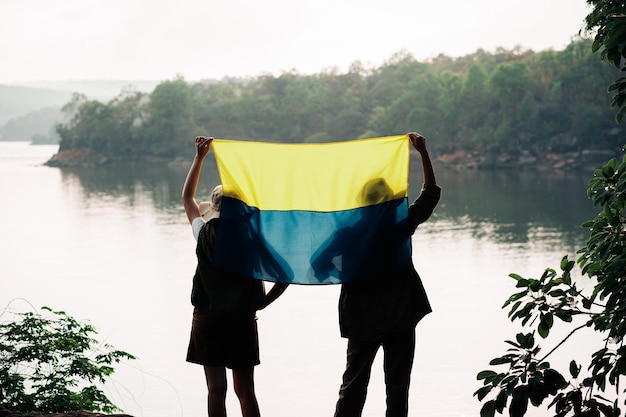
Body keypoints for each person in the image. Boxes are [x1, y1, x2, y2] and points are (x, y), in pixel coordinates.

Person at [333, 132, 441, 417]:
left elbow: (319, 265)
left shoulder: (347, 234)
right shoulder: (399, 226)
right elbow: (429, 194)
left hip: (361, 317)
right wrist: (422, 152)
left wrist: (347, 268)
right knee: (397, 386)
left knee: (353, 386)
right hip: (400, 314)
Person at [182, 135, 288, 417]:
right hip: (241, 319)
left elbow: (188, 198)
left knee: (216, 390)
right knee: (246, 392)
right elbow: (285, 274)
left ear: (215, 210)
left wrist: (200, 157)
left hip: (207, 318)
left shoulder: (203, 234)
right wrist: (264, 302)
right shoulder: (253, 241)